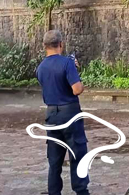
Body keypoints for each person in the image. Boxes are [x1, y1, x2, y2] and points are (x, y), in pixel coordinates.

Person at [36, 30, 90, 195]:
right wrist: (76, 73)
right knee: (77, 154)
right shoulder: (67, 63)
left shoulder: (40, 67)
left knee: (54, 160)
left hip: (51, 116)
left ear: (44, 46)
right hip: (70, 114)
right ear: (61, 44)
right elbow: (76, 89)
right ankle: (81, 191)